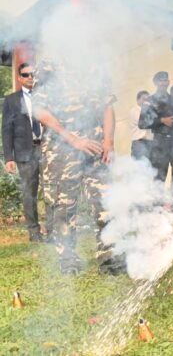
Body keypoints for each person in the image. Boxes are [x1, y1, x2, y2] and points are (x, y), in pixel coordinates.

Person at [33, 51, 121, 275]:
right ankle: (68, 259)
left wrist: (109, 142)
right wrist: (72, 139)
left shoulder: (96, 62)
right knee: (63, 206)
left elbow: (107, 106)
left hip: (96, 147)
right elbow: (39, 110)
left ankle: (108, 257)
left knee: (106, 202)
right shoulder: (48, 65)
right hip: (61, 148)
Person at [2, 63, 44, 242]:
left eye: (32, 74)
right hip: (25, 152)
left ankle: (55, 230)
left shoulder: (45, 97)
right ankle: (34, 232)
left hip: (47, 148)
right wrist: (9, 157)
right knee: (30, 192)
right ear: (19, 78)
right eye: (26, 75)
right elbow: (6, 130)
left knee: (53, 189)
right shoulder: (11, 100)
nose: (30, 77)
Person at [139, 72, 173, 216]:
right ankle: (157, 213)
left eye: (165, 80)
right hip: (159, 144)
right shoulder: (150, 101)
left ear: (168, 81)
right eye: (160, 81)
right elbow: (142, 123)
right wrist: (161, 121)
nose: (163, 83)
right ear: (155, 82)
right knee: (159, 179)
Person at [129, 90, 152, 161]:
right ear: (137, 100)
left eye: (147, 99)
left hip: (149, 143)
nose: (146, 101)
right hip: (139, 143)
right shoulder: (134, 110)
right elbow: (145, 123)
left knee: (148, 168)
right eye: (144, 99)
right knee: (141, 167)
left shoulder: (147, 110)